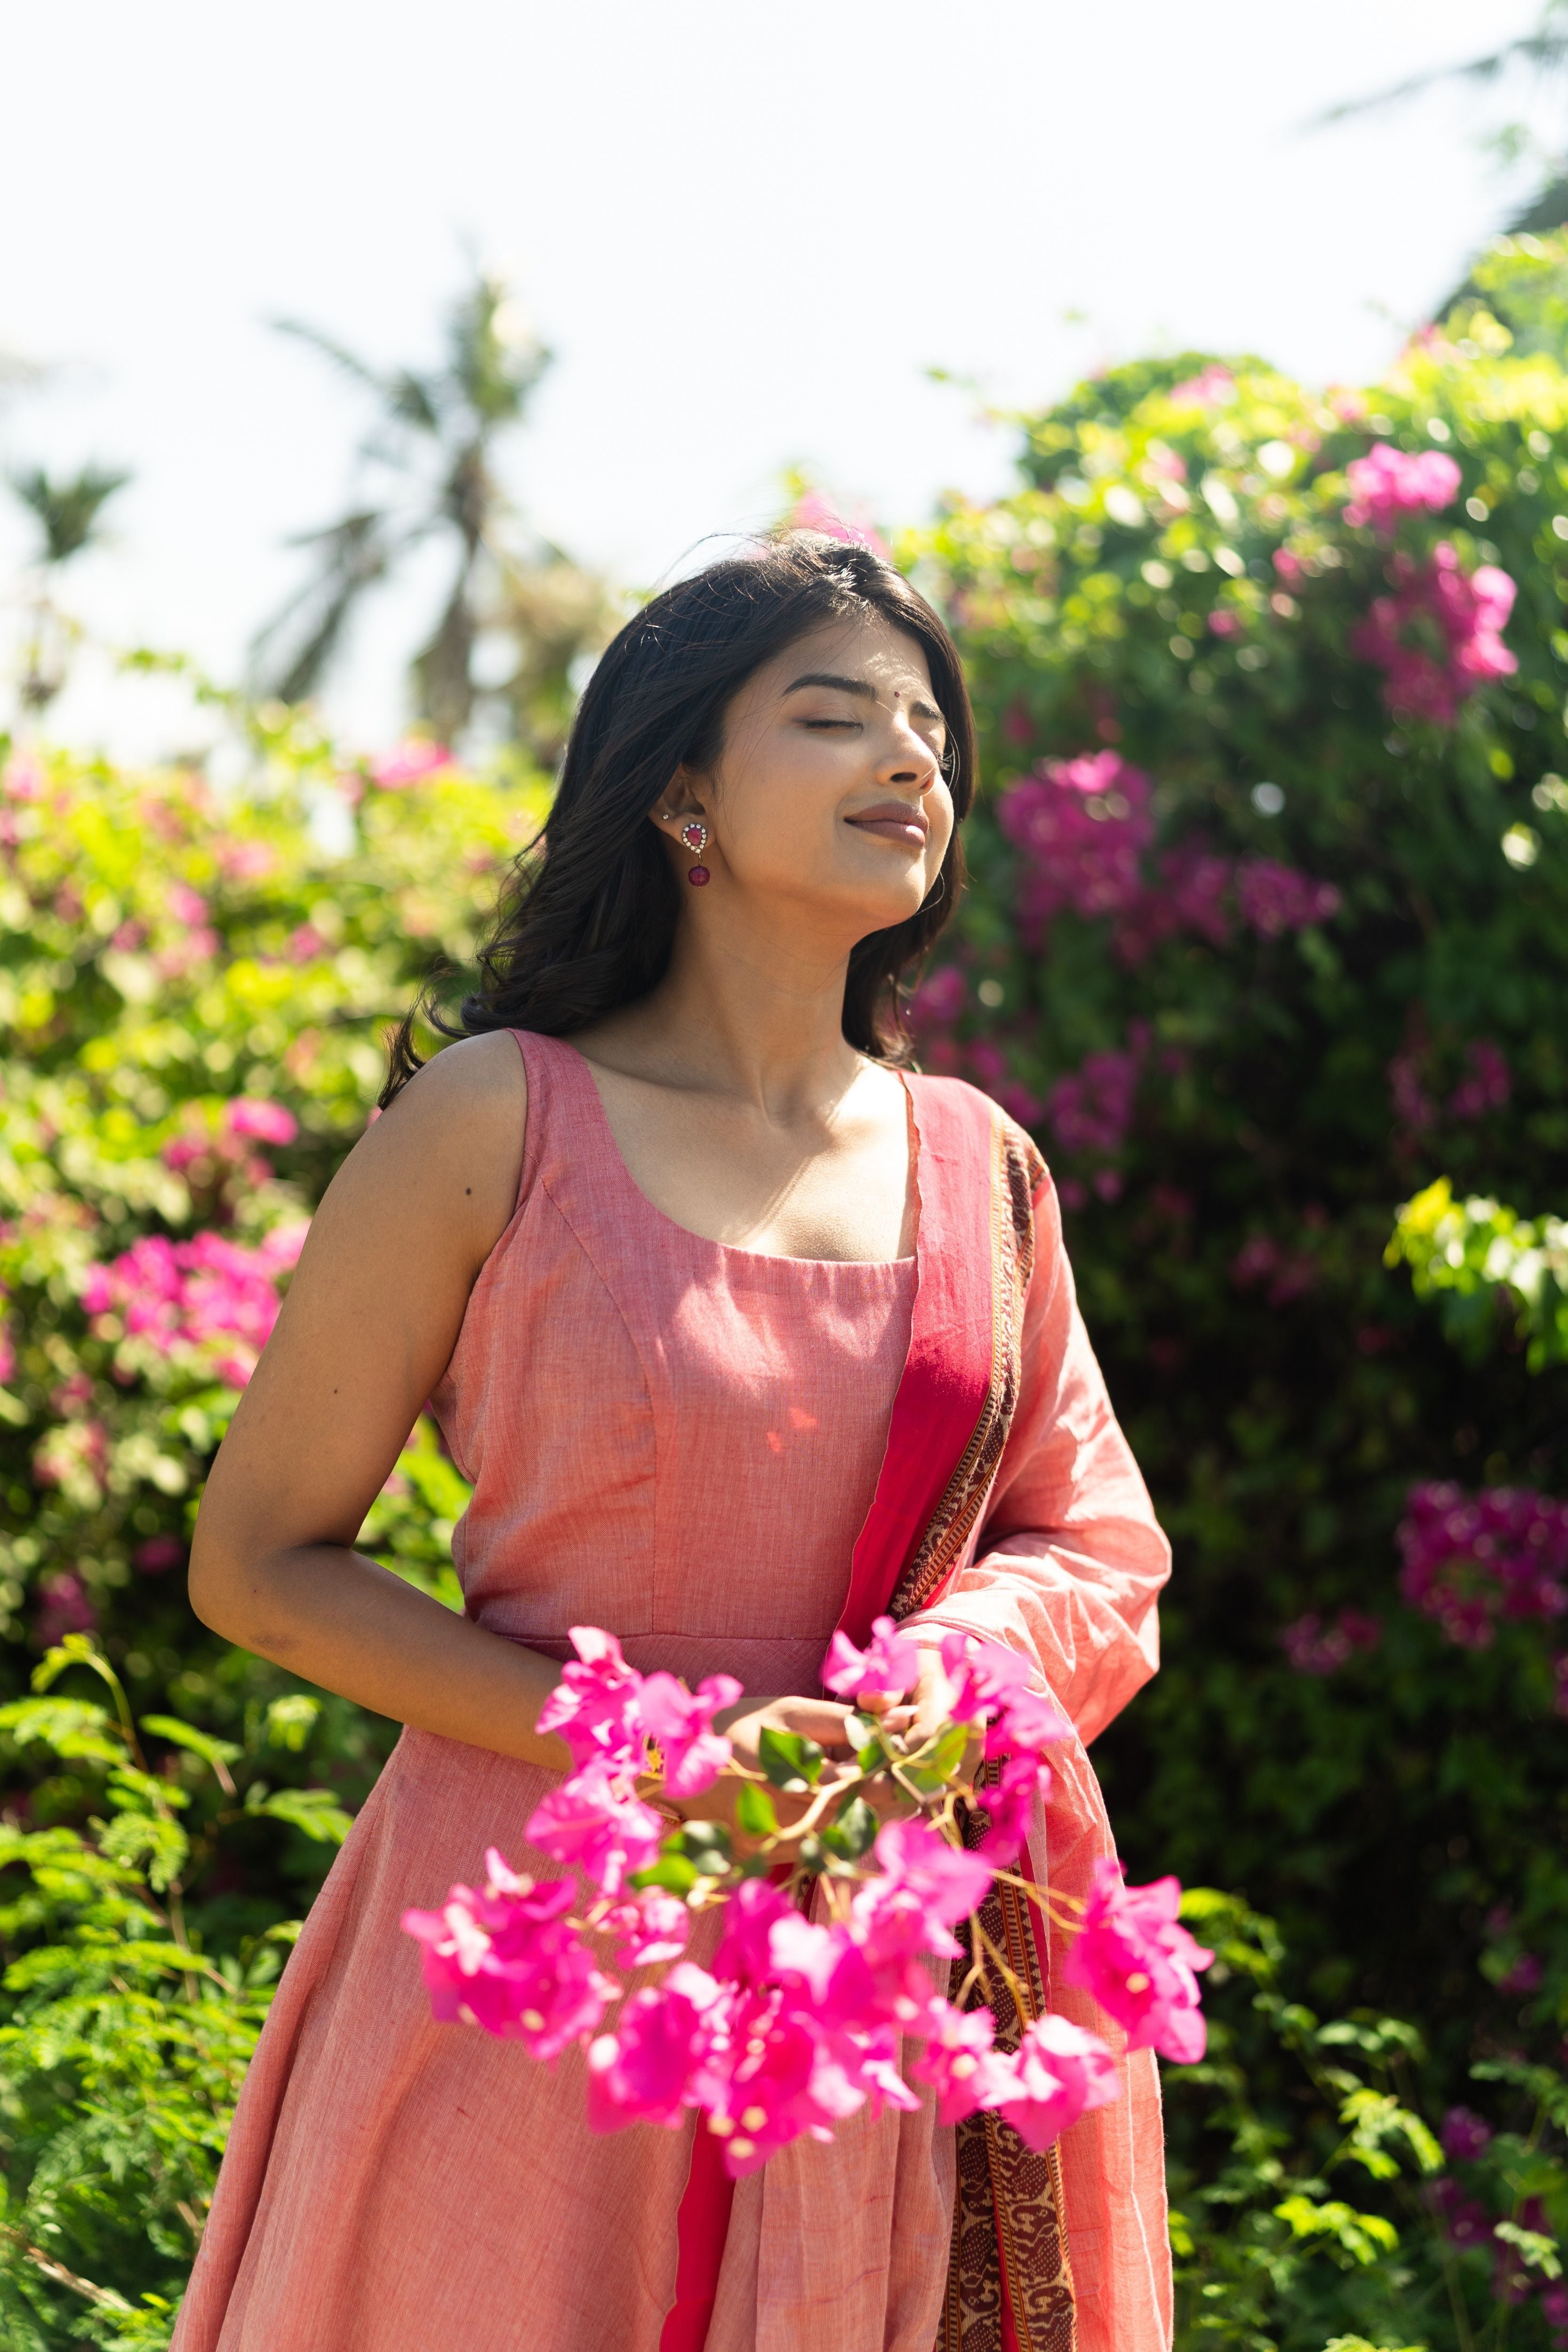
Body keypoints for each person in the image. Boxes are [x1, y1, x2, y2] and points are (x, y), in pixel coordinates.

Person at [172, 533, 1173, 2352]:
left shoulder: (979, 1165)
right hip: (551, 1963)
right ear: (682, 793)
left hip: (892, 1977)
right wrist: (667, 1760)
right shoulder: (503, 1118)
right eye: (836, 714)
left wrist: (927, 1695)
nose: (910, 760)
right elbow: (259, 1565)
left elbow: (1096, 1547)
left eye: (932, 733)